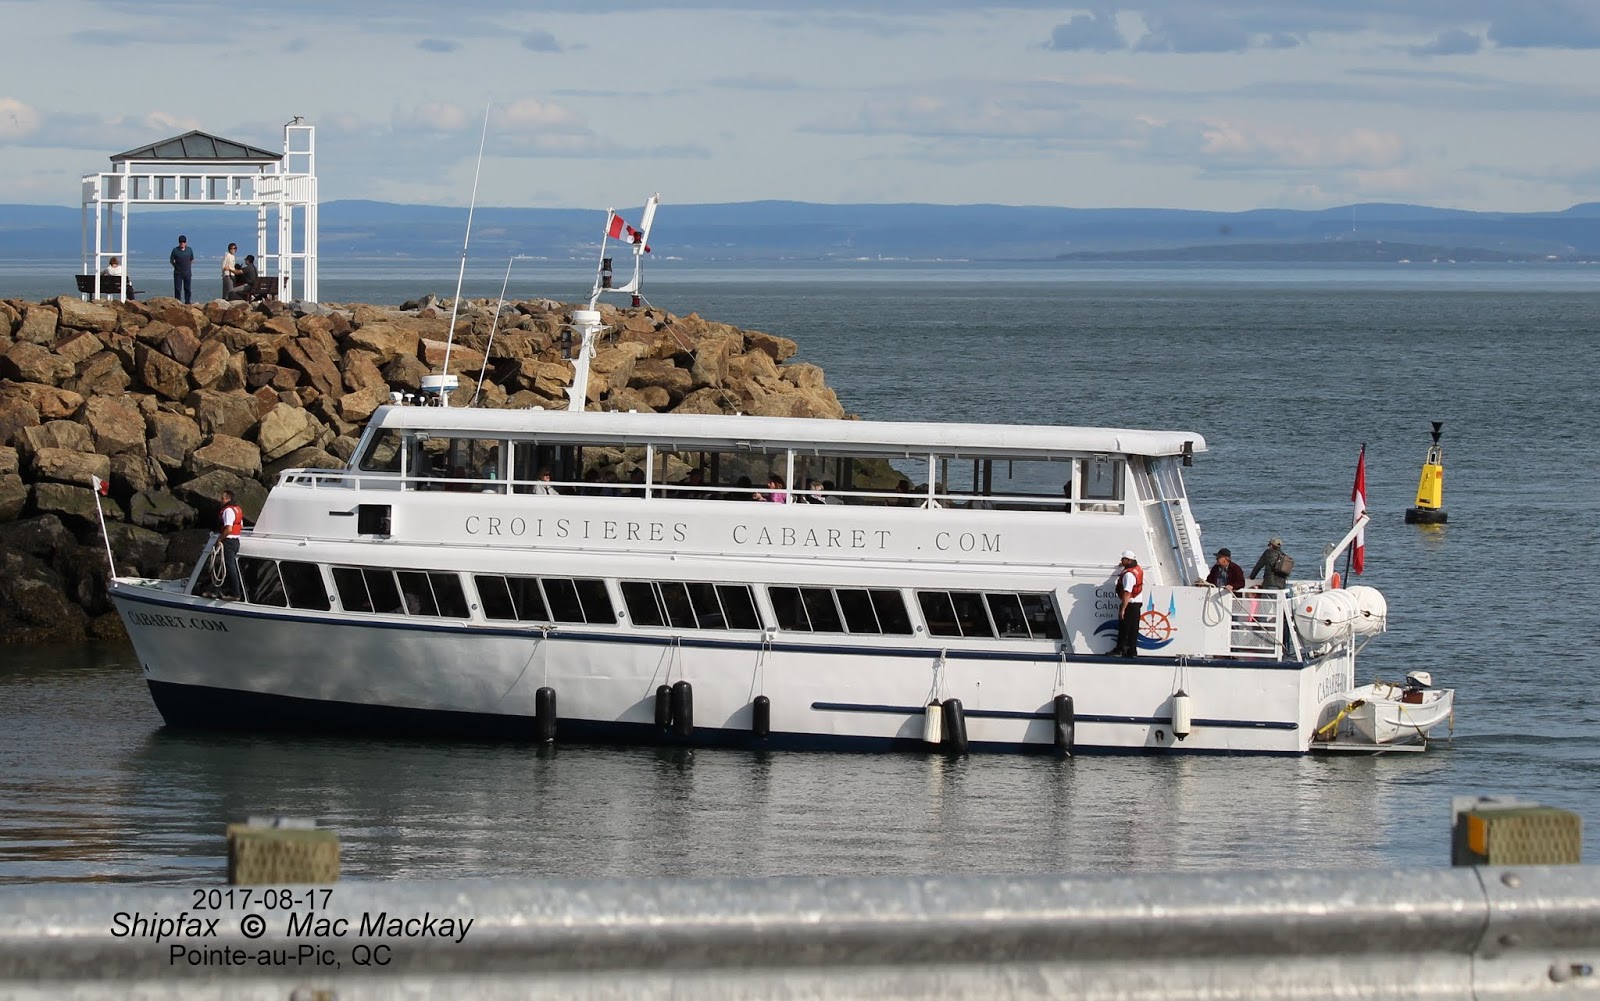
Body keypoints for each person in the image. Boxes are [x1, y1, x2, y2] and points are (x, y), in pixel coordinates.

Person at [1110, 550, 1143, 658]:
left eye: (1123, 559)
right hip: (1137, 603)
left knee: (1124, 628)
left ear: (1128, 560)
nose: (1121, 560)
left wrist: (1123, 609)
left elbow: (1127, 593)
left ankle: (1119, 650)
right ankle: (1132, 651)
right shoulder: (1137, 568)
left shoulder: (1128, 575)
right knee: (1133, 628)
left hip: (1131, 604)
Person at [217, 489, 245, 600]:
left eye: (223, 498)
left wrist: (219, 539)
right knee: (224, 566)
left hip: (228, 541)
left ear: (228, 499)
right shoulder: (237, 510)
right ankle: (214, 589)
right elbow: (241, 525)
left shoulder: (228, 511)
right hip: (236, 541)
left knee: (229, 567)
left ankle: (235, 594)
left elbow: (228, 528)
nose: (221, 500)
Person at [169, 234, 194, 303]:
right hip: (178, 273)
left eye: (183, 242)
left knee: (187, 289)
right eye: (181, 242)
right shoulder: (175, 250)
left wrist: (188, 267)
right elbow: (171, 260)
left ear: (186, 242)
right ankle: (178, 303)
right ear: (179, 242)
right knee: (177, 289)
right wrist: (176, 266)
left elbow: (192, 259)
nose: (182, 243)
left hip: (187, 273)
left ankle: (187, 302)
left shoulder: (189, 250)